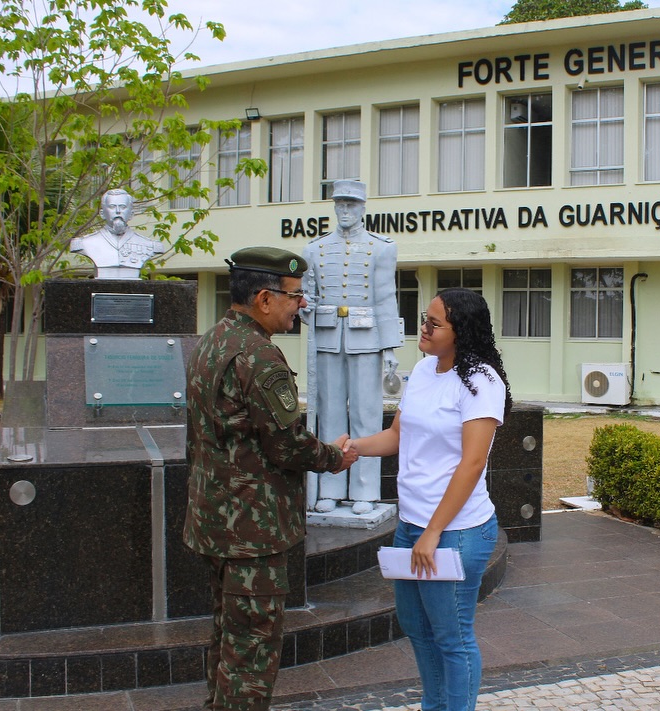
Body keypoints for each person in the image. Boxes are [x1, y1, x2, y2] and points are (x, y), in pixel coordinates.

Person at [183, 246, 358, 711]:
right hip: (252, 532)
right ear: (264, 298)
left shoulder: (212, 340)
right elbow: (288, 444)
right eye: (295, 296)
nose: (301, 305)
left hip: (215, 522)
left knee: (227, 639)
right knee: (253, 651)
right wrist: (335, 458)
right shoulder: (260, 356)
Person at [343, 287, 512, 711]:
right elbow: (398, 435)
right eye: (424, 318)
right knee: (417, 629)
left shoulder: (480, 382)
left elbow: (472, 464)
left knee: (453, 639)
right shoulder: (421, 371)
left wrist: (433, 532)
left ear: (462, 331)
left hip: (454, 531)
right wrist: (350, 448)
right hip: (412, 526)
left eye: (434, 324)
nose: (424, 328)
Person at [301, 179, 402, 515]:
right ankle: (329, 485)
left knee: (366, 416)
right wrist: (306, 309)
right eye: (340, 204)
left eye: (352, 205)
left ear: (363, 208)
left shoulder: (381, 247)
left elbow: (387, 297)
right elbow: (306, 299)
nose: (345, 211)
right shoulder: (314, 249)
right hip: (328, 337)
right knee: (329, 414)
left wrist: (390, 347)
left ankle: (365, 491)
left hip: (366, 336)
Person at [70, 188, 165, 279]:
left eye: (123, 207)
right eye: (112, 207)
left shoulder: (150, 245)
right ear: (102, 213)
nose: (118, 211)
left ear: (131, 214)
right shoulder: (84, 243)